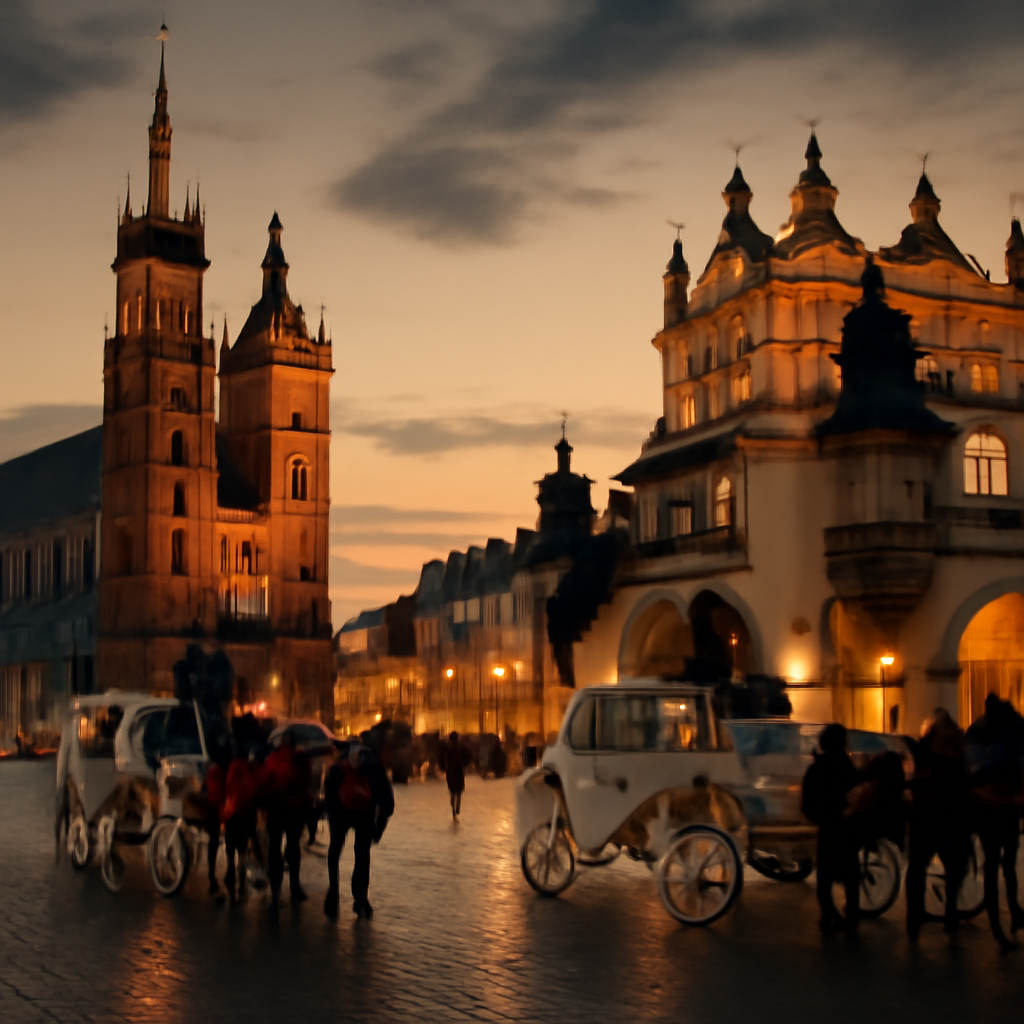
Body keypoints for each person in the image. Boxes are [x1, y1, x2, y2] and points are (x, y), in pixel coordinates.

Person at [965, 693, 1024, 952]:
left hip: (986, 806)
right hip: (1003, 805)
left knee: (995, 864)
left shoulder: (977, 732)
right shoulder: (1011, 732)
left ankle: (1005, 923)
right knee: (1006, 863)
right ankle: (1006, 922)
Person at [905, 708, 970, 940]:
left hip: (924, 815)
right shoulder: (955, 755)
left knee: (917, 866)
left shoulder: (923, 751)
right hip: (949, 817)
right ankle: (949, 914)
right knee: (954, 865)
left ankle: (915, 916)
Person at [323, 735, 394, 921]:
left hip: (340, 813)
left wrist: (331, 813)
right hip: (365, 814)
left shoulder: (339, 765)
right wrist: (380, 827)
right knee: (362, 854)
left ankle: (333, 891)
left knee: (335, 850)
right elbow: (387, 799)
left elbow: (329, 791)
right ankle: (360, 897)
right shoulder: (374, 765)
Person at [802, 723, 861, 933]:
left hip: (827, 826)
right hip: (845, 826)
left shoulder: (816, 767)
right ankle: (852, 913)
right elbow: (856, 789)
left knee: (824, 876)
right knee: (850, 873)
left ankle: (828, 914)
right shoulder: (846, 765)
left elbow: (807, 803)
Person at [261, 730, 311, 908]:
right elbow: (307, 782)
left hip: (275, 808)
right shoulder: (301, 759)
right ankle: (294, 887)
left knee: (274, 847)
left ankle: (275, 891)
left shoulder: (272, 759)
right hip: (295, 809)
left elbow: (265, 781)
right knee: (293, 845)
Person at [440, 731, 469, 821]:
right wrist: (465, 764)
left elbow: (443, 758)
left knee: (452, 792)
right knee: (459, 791)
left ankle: (453, 809)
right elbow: (468, 756)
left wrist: (444, 767)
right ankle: (457, 807)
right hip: (459, 770)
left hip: (451, 771)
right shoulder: (462, 747)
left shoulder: (447, 748)